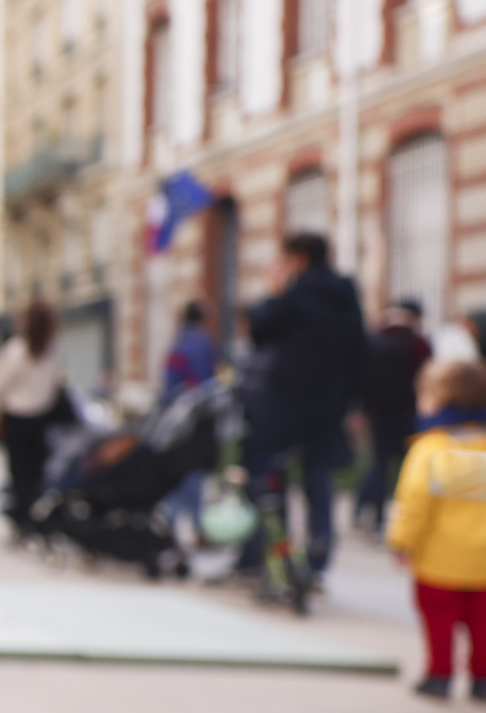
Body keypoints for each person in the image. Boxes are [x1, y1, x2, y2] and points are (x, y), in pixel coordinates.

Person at [236, 232, 368, 577]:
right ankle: (317, 558)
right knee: (318, 482)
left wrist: (276, 289)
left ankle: (273, 557)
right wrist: (353, 403)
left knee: (270, 482)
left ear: (299, 258)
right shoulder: (346, 297)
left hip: (283, 407)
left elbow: (259, 329)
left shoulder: (298, 294)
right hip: (329, 408)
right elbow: (360, 355)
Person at [387, 359, 486, 700]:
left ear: (438, 401)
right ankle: (482, 679)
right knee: (483, 625)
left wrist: (401, 542)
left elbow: (413, 503)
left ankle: (439, 675)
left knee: (439, 621)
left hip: (439, 561)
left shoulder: (429, 448)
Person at [0, 298, 64, 533]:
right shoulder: (51, 352)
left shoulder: (15, 351)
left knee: (18, 473)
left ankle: (21, 521)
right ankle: (33, 518)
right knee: (36, 473)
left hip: (17, 418)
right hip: (41, 418)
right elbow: (55, 386)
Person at [356, 298, 433, 531]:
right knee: (405, 465)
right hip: (408, 412)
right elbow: (427, 379)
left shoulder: (374, 341)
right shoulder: (419, 344)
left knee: (379, 462)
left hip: (378, 413)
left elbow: (362, 379)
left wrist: (362, 410)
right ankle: (398, 517)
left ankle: (372, 515)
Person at [162, 300, 218, 543]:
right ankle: (194, 524)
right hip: (201, 418)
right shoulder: (205, 343)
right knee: (194, 474)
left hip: (180, 418)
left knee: (180, 472)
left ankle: (172, 521)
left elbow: (169, 383)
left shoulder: (180, 343)